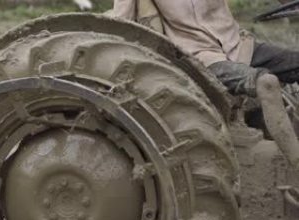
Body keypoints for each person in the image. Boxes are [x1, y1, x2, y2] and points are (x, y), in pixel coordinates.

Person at [111, 0, 299, 168]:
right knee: (266, 83)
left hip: (239, 45)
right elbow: (121, 25)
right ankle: (296, 164)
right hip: (202, 58)